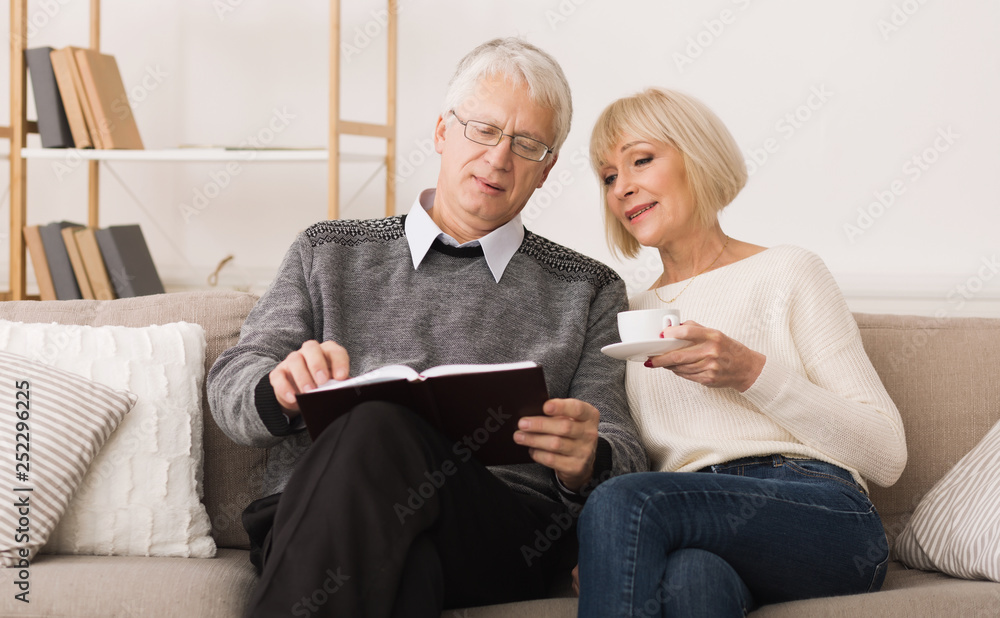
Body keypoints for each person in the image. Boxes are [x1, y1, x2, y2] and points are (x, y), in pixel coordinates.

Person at [206, 38, 647, 618]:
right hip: (320, 518)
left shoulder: (587, 287)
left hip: (495, 531)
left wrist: (589, 456)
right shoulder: (327, 250)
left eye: (527, 145)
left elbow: (623, 448)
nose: (497, 159)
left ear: (546, 171)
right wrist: (279, 387)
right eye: (483, 131)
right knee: (407, 569)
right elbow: (230, 386)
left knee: (378, 427)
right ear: (442, 132)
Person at [573, 88, 908, 617]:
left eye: (641, 159)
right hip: (691, 523)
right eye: (609, 176)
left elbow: (887, 454)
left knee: (623, 503)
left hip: (818, 513)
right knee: (692, 582)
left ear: (696, 156)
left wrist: (751, 373)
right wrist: (608, 544)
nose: (623, 188)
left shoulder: (789, 271)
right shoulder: (626, 315)